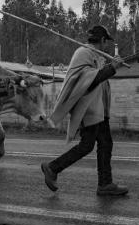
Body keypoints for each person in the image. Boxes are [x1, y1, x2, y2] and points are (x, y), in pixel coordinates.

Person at [41, 25, 128, 196]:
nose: (106, 45)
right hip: (88, 110)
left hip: (99, 110)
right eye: (105, 42)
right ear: (102, 40)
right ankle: (52, 168)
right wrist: (112, 68)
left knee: (105, 144)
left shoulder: (96, 55)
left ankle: (105, 184)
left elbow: (98, 75)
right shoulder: (83, 53)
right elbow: (89, 80)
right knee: (87, 145)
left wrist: (110, 65)